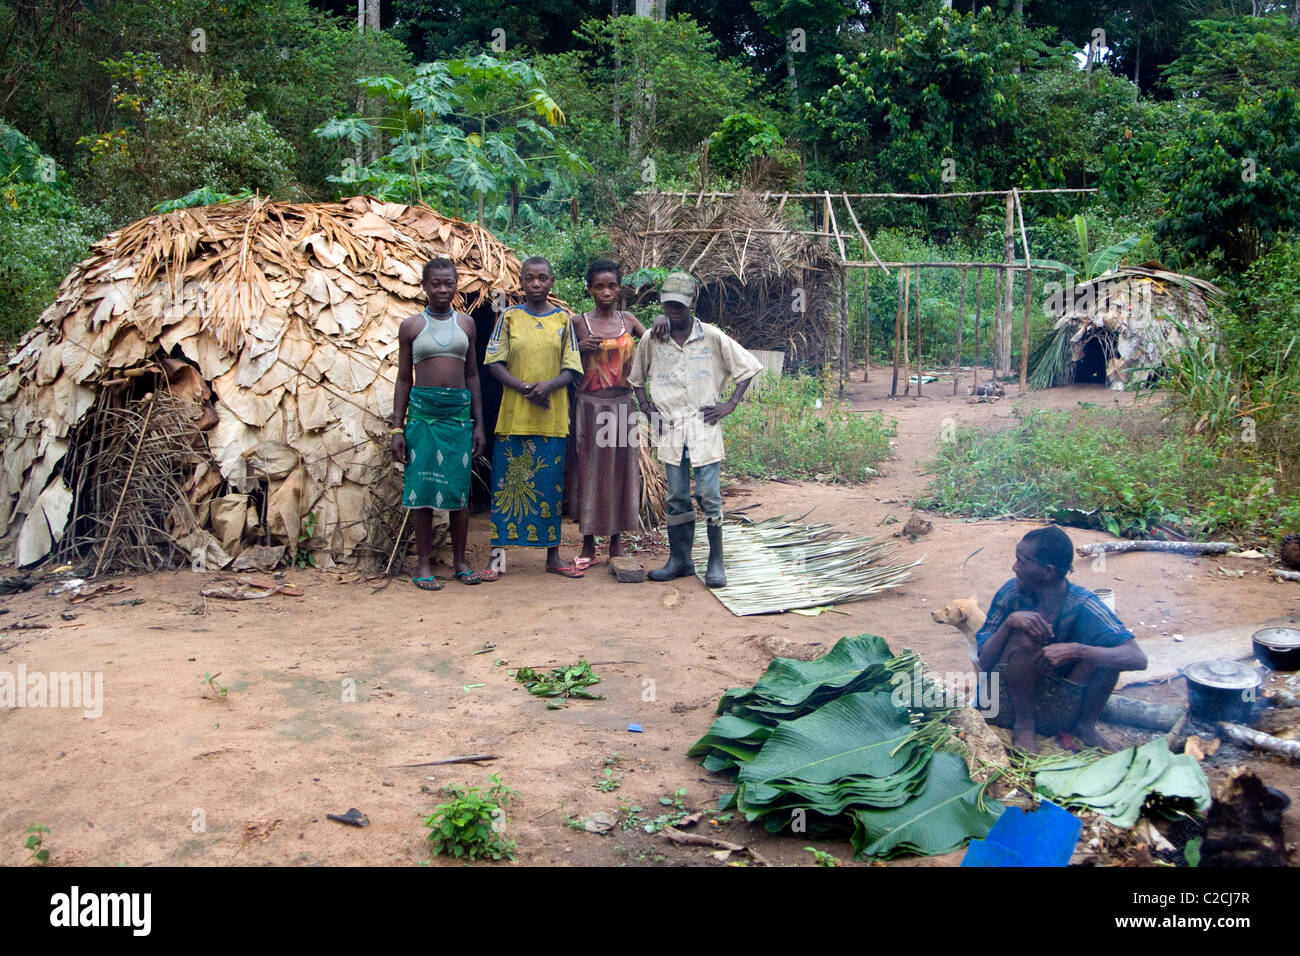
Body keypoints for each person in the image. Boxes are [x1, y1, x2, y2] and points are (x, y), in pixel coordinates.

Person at [629, 271, 762, 588]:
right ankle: (680, 560)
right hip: (671, 428)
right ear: (663, 304)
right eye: (669, 304)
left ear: (694, 302)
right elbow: (636, 381)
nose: (674, 309)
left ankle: (716, 562)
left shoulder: (712, 337)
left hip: (704, 427)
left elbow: (748, 367)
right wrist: (647, 409)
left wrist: (729, 405)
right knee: (676, 496)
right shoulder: (652, 338)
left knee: (708, 495)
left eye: (680, 304)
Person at [975, 526, 1147, 754]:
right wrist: (1009, 624)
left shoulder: (1083, 604)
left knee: (1106, 654)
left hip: (1061, 708)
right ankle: (1024, 726)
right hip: (1004, 706)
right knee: (1023, 638)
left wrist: (1078, 650)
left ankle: (1085, 727)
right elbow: (984, 662)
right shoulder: (1011, 595)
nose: (1014, 567)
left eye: (1022, 561)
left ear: (1048, 572)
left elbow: (1137, 658)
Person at [484, 256, 585, 576]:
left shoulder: (563, 321)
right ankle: (497, 559)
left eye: (543, 278)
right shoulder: (509, 317)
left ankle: (552, 557)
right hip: (514, 419)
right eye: (530, 278)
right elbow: (494, 362)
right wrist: (525, 387)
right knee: (505, 490)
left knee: (549, 488)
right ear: (522, 282)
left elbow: (572, 367)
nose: (537, 284)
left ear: (552, 281)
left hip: (551, 421)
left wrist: (549, 387)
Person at [390, 258, 487, 589]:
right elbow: (404, 379)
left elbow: (473, 375)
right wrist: (397, 428)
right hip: (422, 417)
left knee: (460, 491)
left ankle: (460, 562)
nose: (442, 290)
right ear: (424, 286)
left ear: (457, 284)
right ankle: (423, 564)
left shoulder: (467, 325)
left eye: (448, 283)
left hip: (458, 417)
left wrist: (479, 425)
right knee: (423, 490)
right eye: (436, 284)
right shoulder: (412, 327)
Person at [572, 260, 647, 565]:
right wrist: (580, 348)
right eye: (599, 286)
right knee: (590, 472)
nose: (606, 291)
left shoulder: (628, 320)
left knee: (621, 472)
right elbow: (560, 359)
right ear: (589, 288)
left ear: (619, 287)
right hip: (589, 406)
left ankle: (617, 543)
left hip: (623, 406)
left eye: (612, 285)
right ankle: (588, 544)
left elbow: (654, 341)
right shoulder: (578, 323)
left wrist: (663, 324)